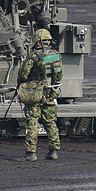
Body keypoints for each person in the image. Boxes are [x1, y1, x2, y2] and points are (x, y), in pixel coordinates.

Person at [17, 28, 63, 162]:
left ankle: (30, 153)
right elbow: (59, 76)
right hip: (50, 93)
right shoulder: (56, 55)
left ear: (38, 42)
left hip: (35, 93)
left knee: (33, 121)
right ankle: (53, 151)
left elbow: (23, 74)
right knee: (50, 122)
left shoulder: (34, 56)